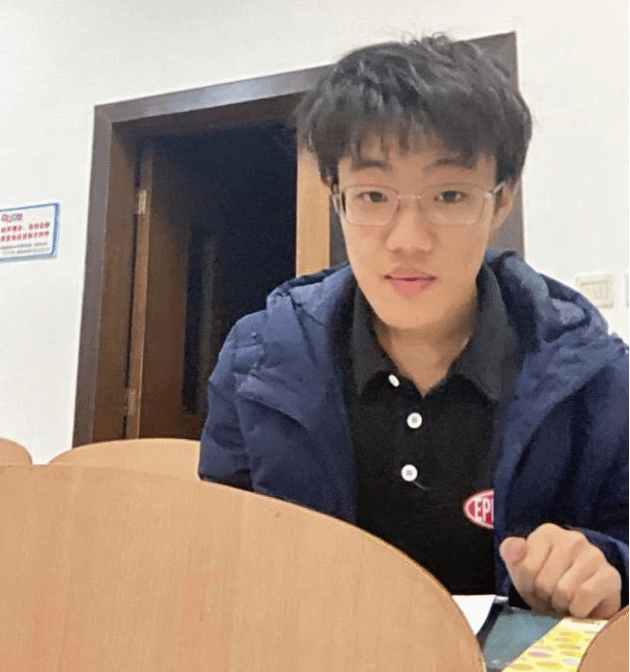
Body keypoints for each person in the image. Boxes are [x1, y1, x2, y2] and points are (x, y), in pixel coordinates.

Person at [199, 34, 628, 619]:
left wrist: (602, 566)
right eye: (373, 195)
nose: (408, 239)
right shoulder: (259, 363)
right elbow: (222, 553)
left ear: (501, 201)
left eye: (449, 195)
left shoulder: (594, 378)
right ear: (337, 199)